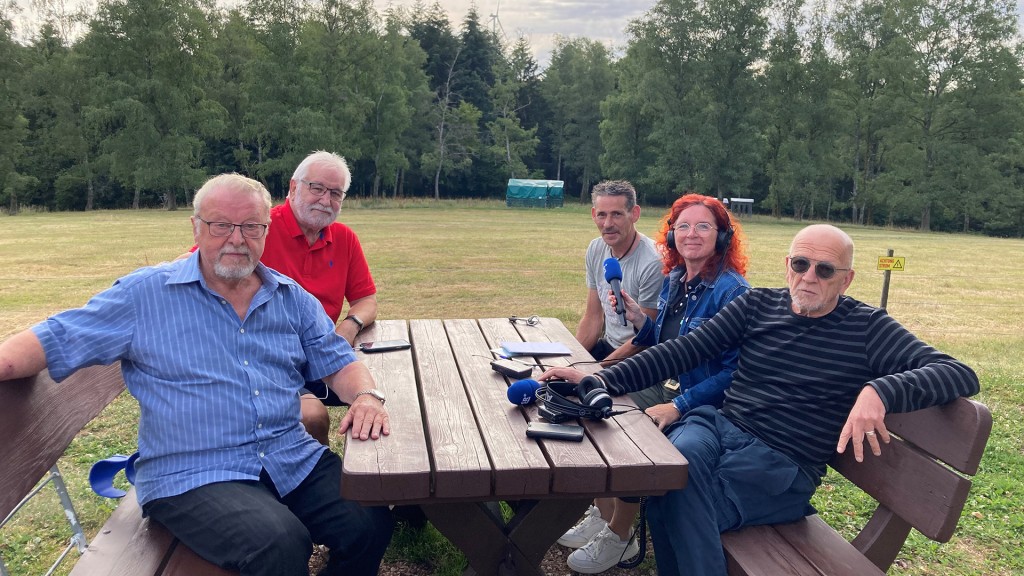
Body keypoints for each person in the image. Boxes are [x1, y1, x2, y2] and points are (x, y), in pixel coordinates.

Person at [0, 174, 393, 576]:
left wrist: (365, 396)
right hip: (192, 472)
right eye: (221, 225)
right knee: (280, 543)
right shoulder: (146, 294)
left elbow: (339, 361)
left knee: (370, 522)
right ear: (196, 227)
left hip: (286, 455)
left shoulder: (290, 297)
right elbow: (55, 338)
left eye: (251, 227)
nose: (236, 239)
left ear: (266, 231)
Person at [541, 224, 980, 576]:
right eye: (801, 264)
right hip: (717, 428)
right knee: (671, 470)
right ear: (787, 264)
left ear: (846, 279)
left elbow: (959, 373)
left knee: (675, 493)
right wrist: (596, 378)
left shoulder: (868, 328)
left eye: (824, 270)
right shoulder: (758, 306)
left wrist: (879, 390)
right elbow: (681, 351)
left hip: (780, 464)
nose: (808, 277)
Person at [554, 194, 751, 574]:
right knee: (593, 406)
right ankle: (603, 511)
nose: (691, 234)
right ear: (672, 235)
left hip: (701, 403)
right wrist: (639, 320)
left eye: (703, 226)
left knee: (623, 425)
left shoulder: (732, 292)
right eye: (683, 227)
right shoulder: (676, 278)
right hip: (667, 385)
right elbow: (662, 342)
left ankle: (621, 535)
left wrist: (680, 405)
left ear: (722, 237)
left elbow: (733, 373)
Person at [265, 151, 377, 446]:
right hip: (273, 359)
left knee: (394, 391)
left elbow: (366, 299)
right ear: (293, 187)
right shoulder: (259, 229)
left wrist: (349, 326)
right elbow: (196, 265)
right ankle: (316, 482)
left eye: (335, 193)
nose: (325, 201)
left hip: (322, 354)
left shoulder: (343, 238)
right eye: (317, 188)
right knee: (312, 417)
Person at [576, 180, 663, 363]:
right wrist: (573, 361)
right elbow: (593, 318)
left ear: (635, 214)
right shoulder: (596, 248)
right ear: (593, 215)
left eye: (617, 214)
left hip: (640, 359)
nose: (607, 224)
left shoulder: (653, 261)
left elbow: (644, 338)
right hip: (609, 347)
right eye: (602, 215)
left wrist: (596, 372)